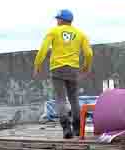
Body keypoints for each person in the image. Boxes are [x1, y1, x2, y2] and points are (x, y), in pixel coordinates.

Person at [34, 9, 94, 139]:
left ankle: (66, 129)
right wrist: (86, 66)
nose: (56, 21)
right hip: (73, 69)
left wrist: (37, 64)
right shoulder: (80, 34)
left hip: (57, 69)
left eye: (58, 18)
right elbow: (89, 53)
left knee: (61, 99)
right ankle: (78, 129)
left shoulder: (53, 31)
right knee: (74, 99)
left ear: (61, 20)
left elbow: (43, 50)